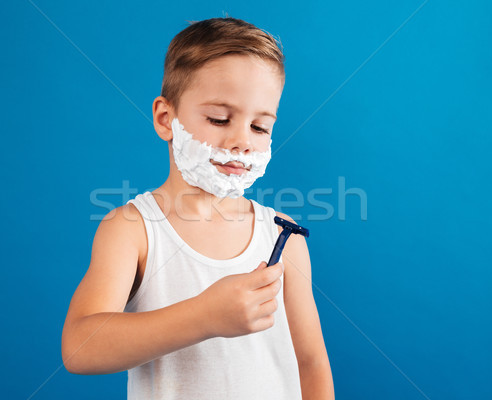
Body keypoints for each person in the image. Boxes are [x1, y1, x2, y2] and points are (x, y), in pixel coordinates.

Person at [61, 16, 335, 399]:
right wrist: (204, 316)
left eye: (260, 127)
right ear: (165, 119)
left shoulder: (282, 235)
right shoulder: (133, 229)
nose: (241, 140)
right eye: (219, 119)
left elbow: (311, 362)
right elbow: (79, 347)